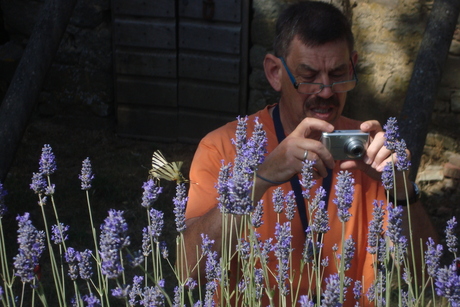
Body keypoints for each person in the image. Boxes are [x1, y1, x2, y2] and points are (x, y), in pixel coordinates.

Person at [181, 1, 437, 306]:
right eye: (309, 75)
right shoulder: (223, 147)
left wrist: (402, 190)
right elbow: (187, 271)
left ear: (353, 65)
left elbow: (427, 278)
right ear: (275, 72)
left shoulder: (368, 150)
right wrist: (260, 178)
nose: (326, 90)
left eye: (338, 73)